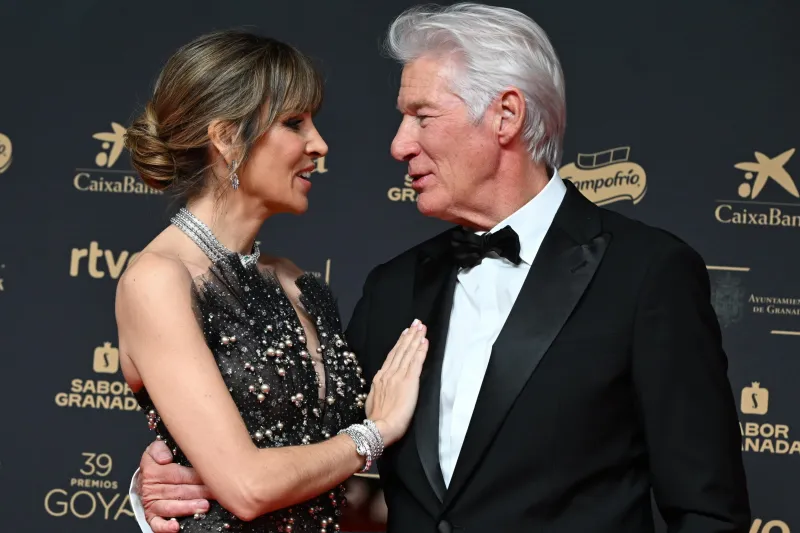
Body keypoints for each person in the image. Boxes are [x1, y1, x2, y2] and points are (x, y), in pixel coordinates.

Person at [132, 3, 752, 532]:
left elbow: (707, 511)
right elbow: (329, 475)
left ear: (506, 115)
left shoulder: (647, 274)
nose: (398, 144)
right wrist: (179, 486)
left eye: (422, 116)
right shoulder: (395, 286)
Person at [116, 29, 430, 533]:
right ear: (226, 138)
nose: (319, 145)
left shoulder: (297, 282)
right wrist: (376, 432)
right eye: (294, 123)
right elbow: (249, 488)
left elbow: (326, 502)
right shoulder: (158, 280)